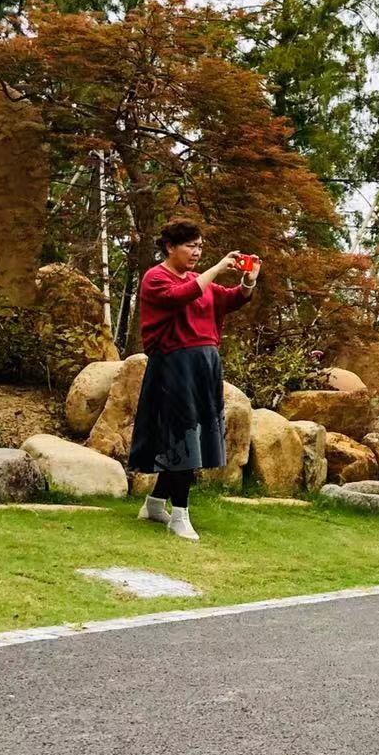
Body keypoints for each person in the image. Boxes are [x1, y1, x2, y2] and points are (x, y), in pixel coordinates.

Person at [129, 219, 260, 541]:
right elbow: (183, 295)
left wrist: (247, 283)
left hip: (204, 366)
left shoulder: (198, 280)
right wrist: (216, 267)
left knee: (194, 436)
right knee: (183, 437)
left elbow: (228, 299)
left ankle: (155, 504)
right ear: (170, 247)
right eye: (190, 245)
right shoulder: (156, 278)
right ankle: (180, 515)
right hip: (175, 365)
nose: (196, 252)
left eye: (200, 246)